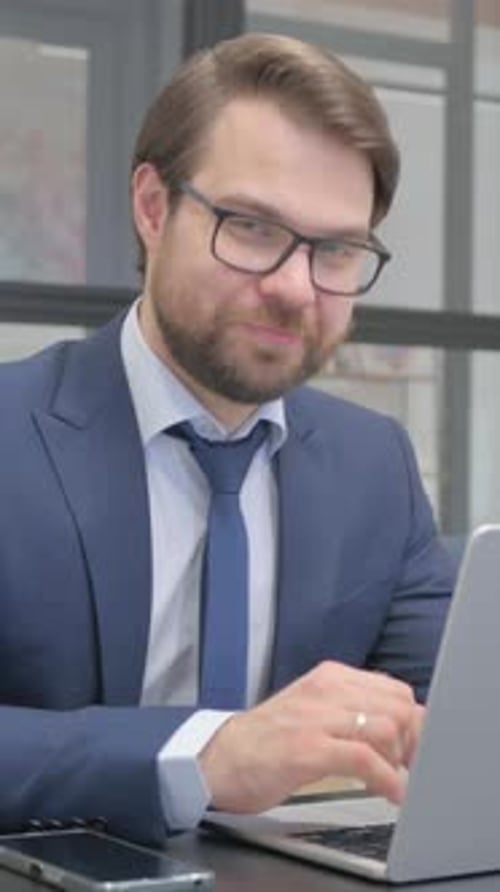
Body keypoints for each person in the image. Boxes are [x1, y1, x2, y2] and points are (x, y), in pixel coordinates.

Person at [0, 33, 454, 846]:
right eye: (250, 226)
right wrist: (205, 754)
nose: (292, 286)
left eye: (336, 249)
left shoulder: (372, 465)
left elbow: (455, 725)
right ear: (152, 207)